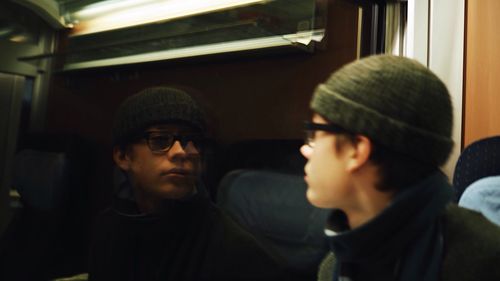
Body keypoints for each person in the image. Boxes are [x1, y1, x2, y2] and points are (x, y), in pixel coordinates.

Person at [299, 55, 500, 281]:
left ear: (357, 148)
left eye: (315, 134)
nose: (305, 149)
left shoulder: (482, 260)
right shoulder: (335, 265)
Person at [89, 86, 297, 281]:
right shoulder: (107, 228)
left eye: (193, 141)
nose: (183, 152)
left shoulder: (234, 251)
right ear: (123, 156)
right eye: (160, 140)